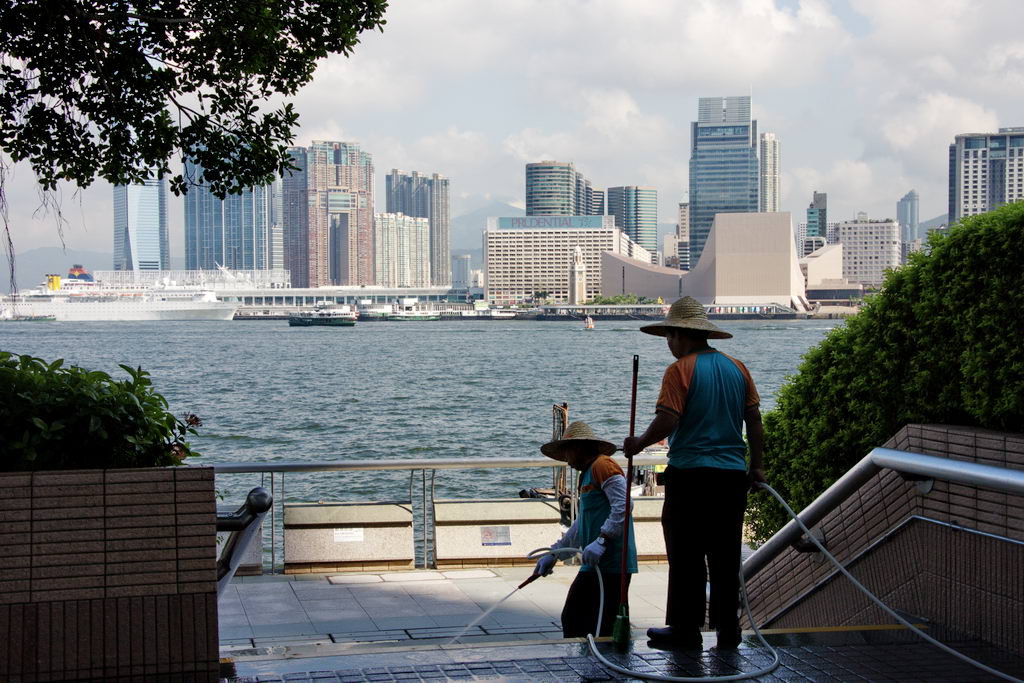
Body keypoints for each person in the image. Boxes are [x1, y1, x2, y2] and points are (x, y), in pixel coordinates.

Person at [622, 296, 765, 651]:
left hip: (690, 475)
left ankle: (686, 630)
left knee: (686, 555)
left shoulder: (679, 370)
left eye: (669, 337)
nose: (668, 344)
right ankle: (728, 629)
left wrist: (638, 443)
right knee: (725, 554)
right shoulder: (738, 368)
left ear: (680, 334)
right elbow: (755, 421)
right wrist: (757, 466)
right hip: (731, 476)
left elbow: (669, 419)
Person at [535, 421, 638, 638]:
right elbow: (582, 522)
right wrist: (555, 553)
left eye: (567, 452)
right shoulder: (587, 474)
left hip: (612, 564)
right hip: (595, 562)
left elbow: (624, 505)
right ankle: (588, 665)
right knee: (576, 619)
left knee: (597, 623)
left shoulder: (603, 466)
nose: (566, 459)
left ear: (579, 448)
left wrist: (602, 540)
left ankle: (603, 667)